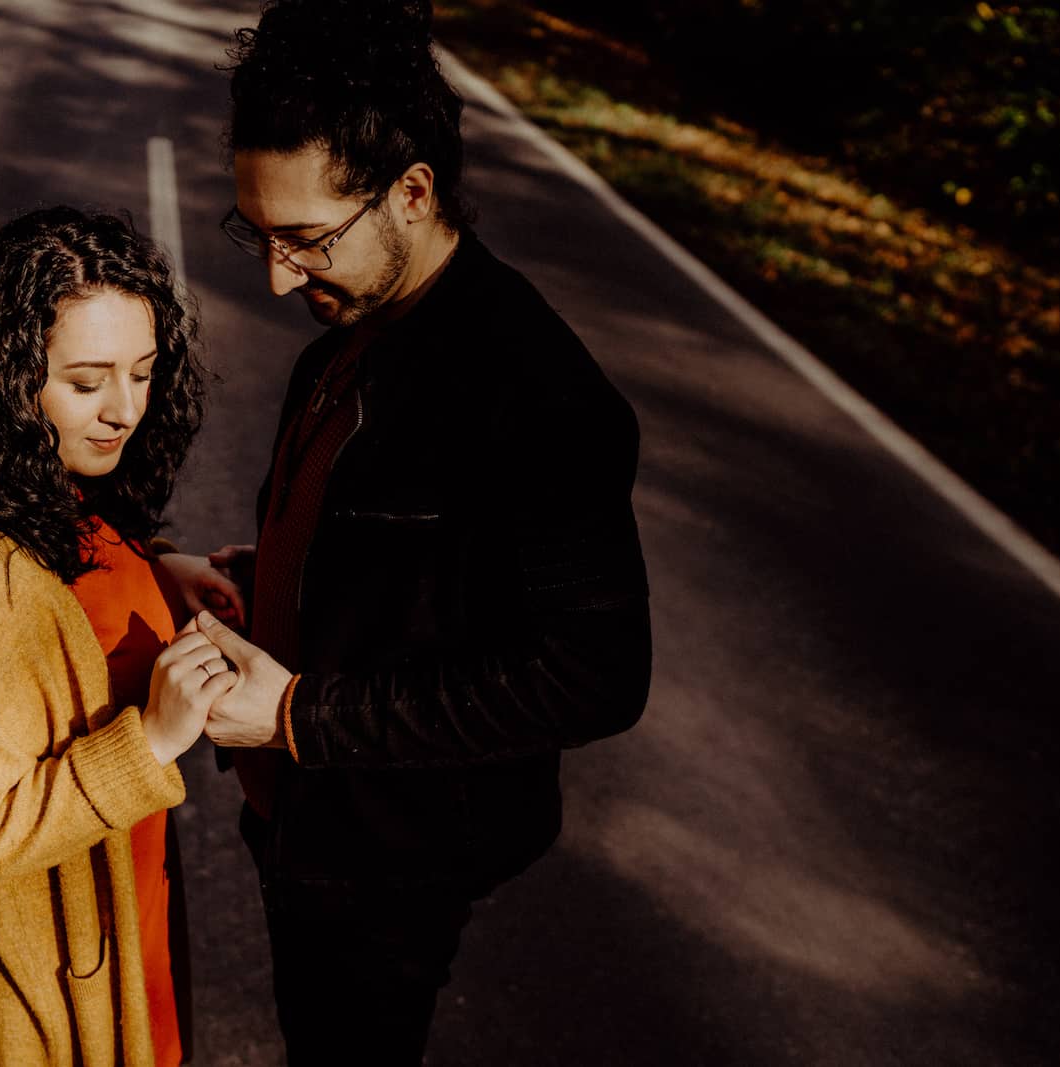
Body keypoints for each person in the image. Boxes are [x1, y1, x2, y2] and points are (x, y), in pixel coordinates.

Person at [159, 1, 654, 1062]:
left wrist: (298, 714)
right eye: (257, 232)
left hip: (384, 865)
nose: (277, 276)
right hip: (302, 818)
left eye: (305, 238)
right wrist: (269, 576)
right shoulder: (348, 334)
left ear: (414, 190)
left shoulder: (534, 393)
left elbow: (594, 673)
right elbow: (402, 559)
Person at [0, 207, 233, 1067]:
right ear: (9, 376)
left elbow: (67, 576)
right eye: (87, 382)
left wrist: (153, 565)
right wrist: (149, 739)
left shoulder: (40, 484)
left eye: (144, 373)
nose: (124, 410)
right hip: (46, 998)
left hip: (114, 920)